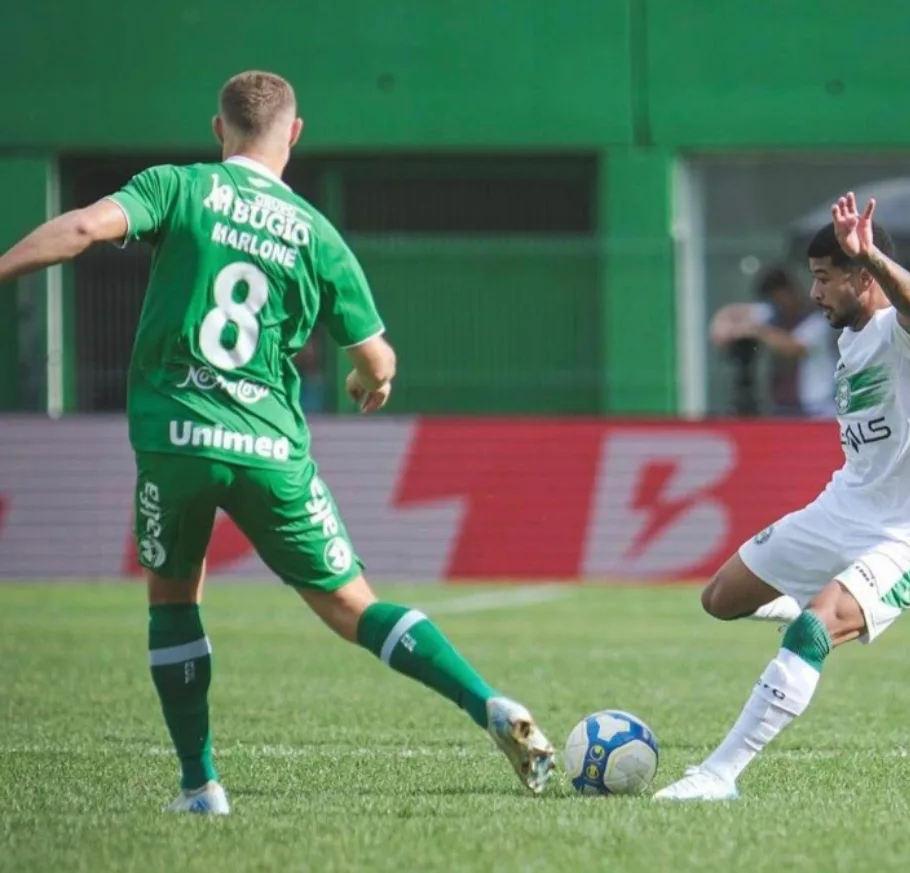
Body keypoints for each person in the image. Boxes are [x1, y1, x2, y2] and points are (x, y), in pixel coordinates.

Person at [0, 70, 556, 813]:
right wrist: (371, 385)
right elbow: (378, 357)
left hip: (178, 437)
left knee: (174, 595)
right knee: (352, 606)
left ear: (217, 129)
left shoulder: (179, 186)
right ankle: (486, 701)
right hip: (270, 447)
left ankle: (201, 786)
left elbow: (78, 231)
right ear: (293, 134)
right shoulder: (317, 233)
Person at [654, 192, 910, 801]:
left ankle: (718, 775)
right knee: (720, 598)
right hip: (842, 507)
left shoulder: (906, 337)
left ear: (862, 277)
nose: (815, 293)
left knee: (813, 632)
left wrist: (870, 253)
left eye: (825, 279)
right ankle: (804, 608)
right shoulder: (846, 342)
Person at [709, 263, 839, 418]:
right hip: (782, 409)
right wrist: (726, 331)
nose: (780, 304)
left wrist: (757, 331)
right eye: (774, 300)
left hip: (818, 408)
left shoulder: (818, 318)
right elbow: (729, 314)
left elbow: (794, 348)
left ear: (791, 292)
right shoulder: (773, 313)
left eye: (781, 297)